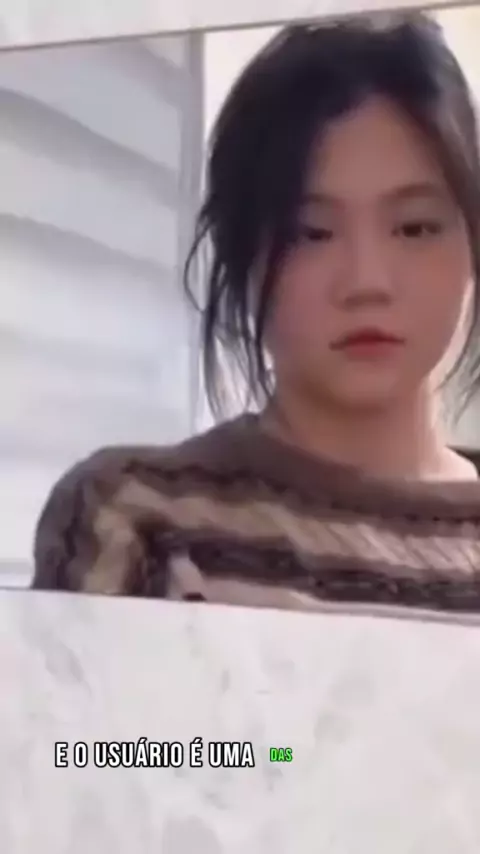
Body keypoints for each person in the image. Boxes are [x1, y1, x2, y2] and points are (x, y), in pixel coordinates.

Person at [32, 12, 480, 613]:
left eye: (416, 227)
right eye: (311, 233)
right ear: (242, 254)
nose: (367, 282)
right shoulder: (141, 517)